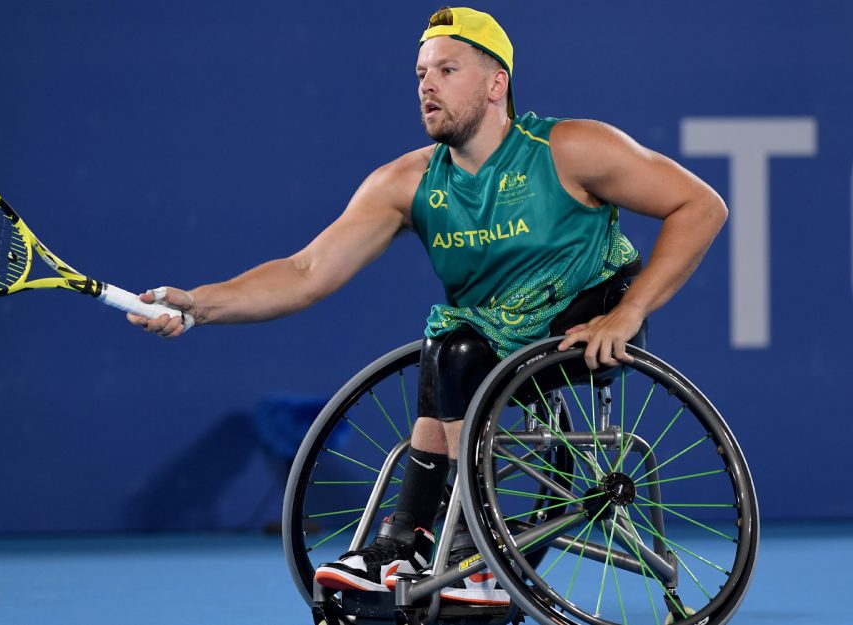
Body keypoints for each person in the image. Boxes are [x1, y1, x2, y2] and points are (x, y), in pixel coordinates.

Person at [128, 7, 727, 606]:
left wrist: (629, 312)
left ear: (497, 84)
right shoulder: (407, 182)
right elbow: (306, 271)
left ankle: (474, 554)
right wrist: (200, 305)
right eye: (420, 73)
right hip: (484, 348)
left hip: (589, 324)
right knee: (450, 345)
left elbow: (701, 207)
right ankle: (405, 542)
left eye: (446, 68)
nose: (427, 85)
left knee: (456, 348)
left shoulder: (571, 148)